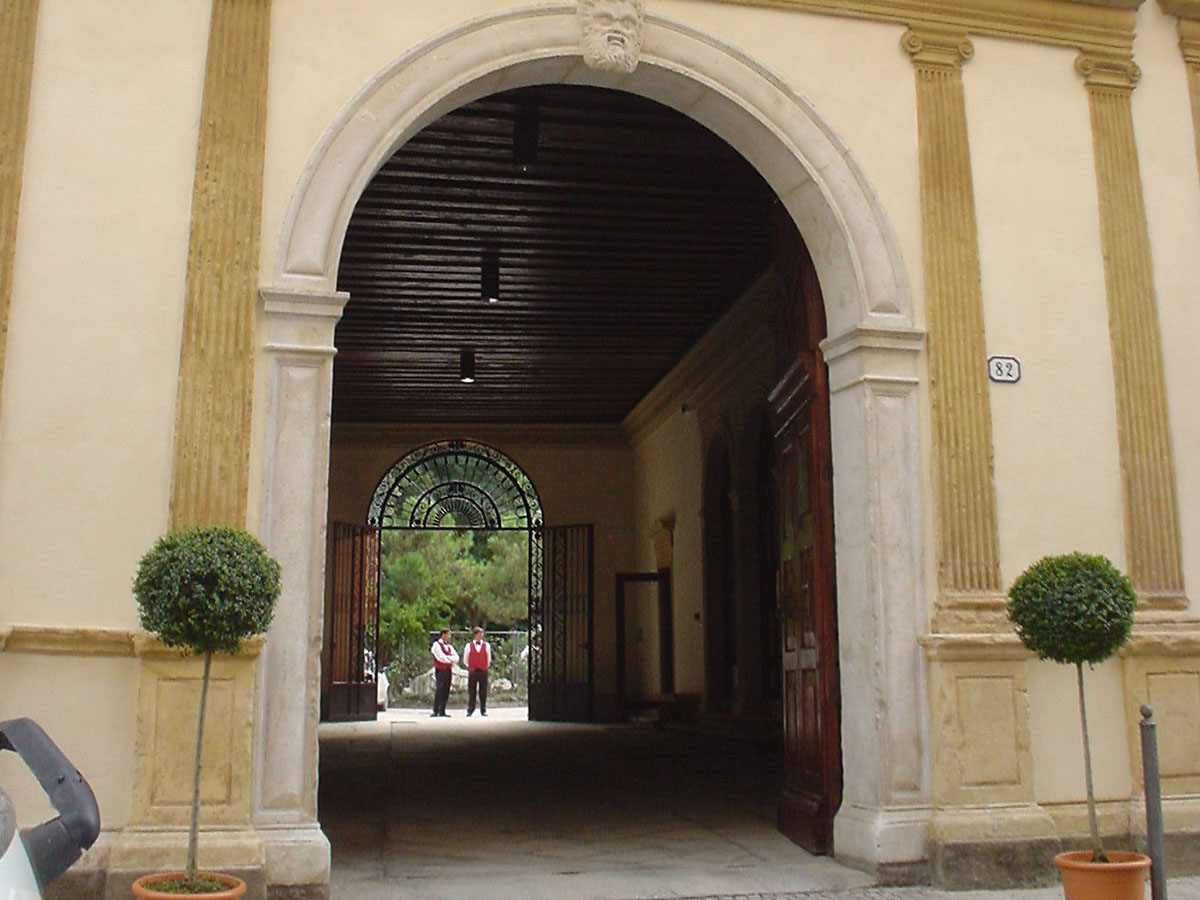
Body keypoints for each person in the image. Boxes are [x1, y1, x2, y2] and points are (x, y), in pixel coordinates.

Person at [462, 626, 492, 717]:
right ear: (475, 635)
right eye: (479, 634)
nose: (481, 635)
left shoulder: (486, 645)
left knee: (483, 690)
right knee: (472, 690)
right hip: (473, 670)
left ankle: (483, 709)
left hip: (483, 670)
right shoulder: (468, 646)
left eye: (482, 634)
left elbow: (489, 658)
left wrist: (485, 666)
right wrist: (470, 666)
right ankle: (470, 709)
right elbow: (465, 659)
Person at [430, 628, 458, 717]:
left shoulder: (449, 646)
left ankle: (442, 710)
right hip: (440, 669)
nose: (449, 637)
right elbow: (440, 657)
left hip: (448, 670)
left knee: (446, 689)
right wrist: (449, 659)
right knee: (439, 689)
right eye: (448, 634)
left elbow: (456, 657)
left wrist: (448, 658)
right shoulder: (436, 645)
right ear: (443, 635)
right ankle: (436, 710)